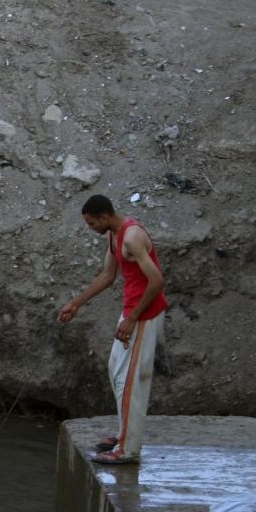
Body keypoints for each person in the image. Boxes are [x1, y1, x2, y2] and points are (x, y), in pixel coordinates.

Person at [57, 193, 170, 465]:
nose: (90, 229)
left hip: (143, 314)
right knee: (115, 369)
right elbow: (108, 276)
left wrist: (132, 318)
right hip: (131, 310)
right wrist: (76, 303)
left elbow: (156, 281)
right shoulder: (113, 236)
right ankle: (123, 434)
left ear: (104, 217)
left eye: (91, 223)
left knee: (131, 381)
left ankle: (128, 450)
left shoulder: (132, 237)